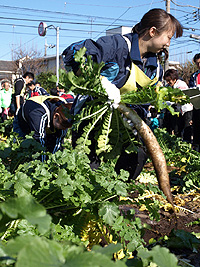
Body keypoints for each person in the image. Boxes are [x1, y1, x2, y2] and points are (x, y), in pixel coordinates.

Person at [62, 8, 183, 179]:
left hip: (122, 124)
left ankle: (116, 190)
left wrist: (135, 118)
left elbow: (144, 102)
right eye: (169, 37)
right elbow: (73, 53)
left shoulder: (154, 67)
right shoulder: (117, 45)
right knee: (88, 167)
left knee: (138, 154)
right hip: (93, 116)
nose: (168, 43)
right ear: (153, 31)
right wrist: (101, 83)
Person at [13, 95, 73, 161]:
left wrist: (53, 162)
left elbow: (58, 142)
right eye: (63, 126)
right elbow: (39, 142)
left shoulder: (66, 113)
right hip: (24, 124)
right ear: (56, 116)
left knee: (51, 147)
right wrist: (42, 166)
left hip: (47, 121)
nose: (65, 129)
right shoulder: (38, 113)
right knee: (22, 151)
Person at [164, 69, 193, 143]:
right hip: (179, 110)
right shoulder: (169, 86)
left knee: (187, 129)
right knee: (177, 130)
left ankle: (187, 147)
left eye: (169, 80)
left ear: (174, 79)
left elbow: (176, 98)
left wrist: (167, 102)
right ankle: (178, 146)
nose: (168, 82)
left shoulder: (181, 84)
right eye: (166, 80)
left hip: (187, 109)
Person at [189, 53, 200, 150]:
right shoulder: (194, 76)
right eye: (197, 63)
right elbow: (191, 89)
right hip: (197, 106)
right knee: (196, 129)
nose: (199, 65)